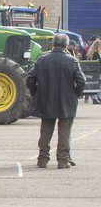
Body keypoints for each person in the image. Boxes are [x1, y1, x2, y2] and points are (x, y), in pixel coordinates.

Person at [27, 33, 86, 169]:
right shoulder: (71, 61)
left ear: (53, 44)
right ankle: (62, 160)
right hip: (67, 101)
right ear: (66, 46)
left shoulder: (42, 60)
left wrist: (36, 92)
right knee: (64, 132)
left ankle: (42, 159)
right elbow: (81, 81)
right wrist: (76, 94)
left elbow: (30, 79)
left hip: (46, 100)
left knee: (46, 131)